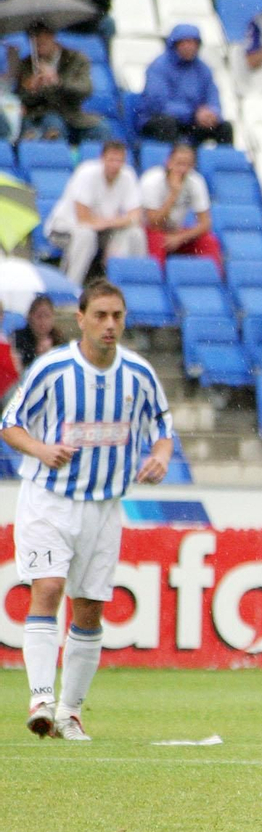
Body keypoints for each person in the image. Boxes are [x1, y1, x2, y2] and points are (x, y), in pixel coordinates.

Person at [2, 280, 174, 742]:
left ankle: (70, 713)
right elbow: (10, 423)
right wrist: (41, 449)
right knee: (48, 587)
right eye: (100, 315)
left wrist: (160, 455)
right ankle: (41, 699)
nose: (109, 324)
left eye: (117, 315)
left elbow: (163, 425)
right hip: (50, 500)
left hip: (103, 506)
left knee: (90, 608)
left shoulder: (138, 374)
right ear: (80, 319)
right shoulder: (53, 369)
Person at [42, 138, 144, 285]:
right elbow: (83, 218)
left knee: (135, 233)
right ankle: (71, 285)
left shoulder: (128, 175)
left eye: (120, 161)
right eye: (111, 160)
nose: (115, 165)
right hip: (63, 229)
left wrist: (110, 224)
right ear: (102, 158)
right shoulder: (86, 173)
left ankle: (122, 284)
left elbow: (135, 216)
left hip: (103, 231)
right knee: (86, 235)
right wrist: (117, 221)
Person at [138, 24, 234, 146]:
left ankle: (223, 158)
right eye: (185, 42)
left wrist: (212, 113)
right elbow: (158, 104)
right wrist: (192, 113)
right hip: (160, 119)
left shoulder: (203, 69)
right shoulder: (158, 67)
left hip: (192, 121)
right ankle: (174, 157)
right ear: (175, 44)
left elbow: (212, 95)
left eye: (194, 43)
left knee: (224, 127)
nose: (190, 47)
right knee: (167, 123)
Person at [15, 21, 109, 143]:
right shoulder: (26, 64)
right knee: (53, 126)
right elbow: (21, 99)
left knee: (101, 129)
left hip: (73, 114)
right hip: (42, 115)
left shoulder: (76, 58)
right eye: (35, 44)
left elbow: (85, 89)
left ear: (52, 37)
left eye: (42, 43)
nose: (39, 48)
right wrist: (32, 87)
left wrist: (58, 82)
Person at [140, 143, 222, 273]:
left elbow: (205, 223)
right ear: (169, 162)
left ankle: (212, 278)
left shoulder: (196, 181)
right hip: (151, 230)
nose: (182, 169)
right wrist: (174, 194)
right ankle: (156, 278)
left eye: (187, 165)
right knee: (158, 241)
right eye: (179, 163)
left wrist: (181, 237)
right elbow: (153, 222)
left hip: (177, 231)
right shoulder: (152, 180)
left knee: (208, 241)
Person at [10, 295, 65, 373]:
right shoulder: (18, 339)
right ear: (30, 317)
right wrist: (38, 356)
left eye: (47, 316)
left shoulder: (59, 340)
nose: (43, 321)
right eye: (39, 316)